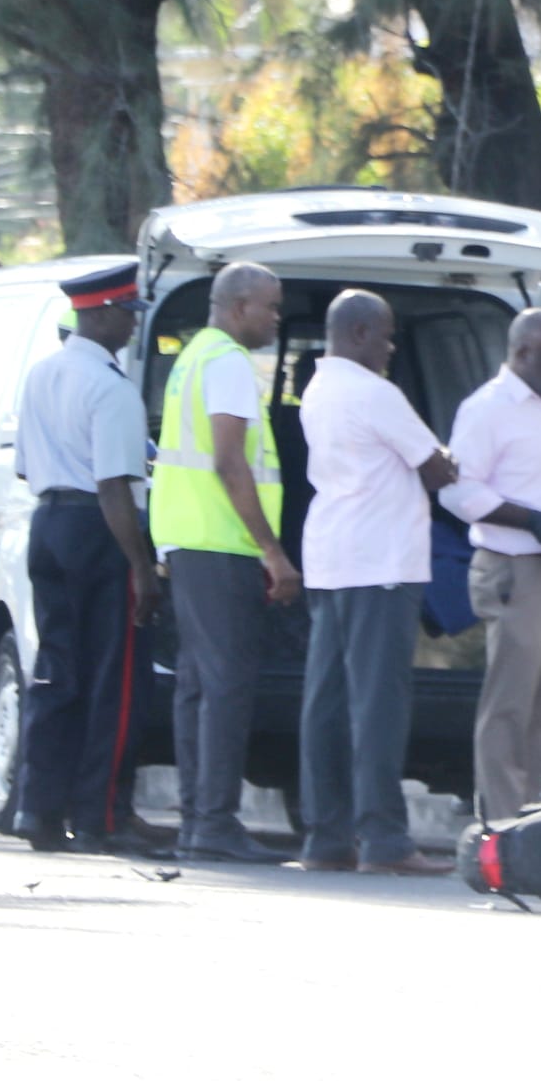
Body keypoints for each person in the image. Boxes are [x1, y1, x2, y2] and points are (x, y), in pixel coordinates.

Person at [296, 290, 459, 876]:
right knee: (378, 704)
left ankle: (325, 835)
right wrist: (448, 454)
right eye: (387, 335)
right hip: (382, 563)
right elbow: (438, 470)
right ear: (360, 333)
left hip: (332, 557)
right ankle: (385, 838)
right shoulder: (375, 392)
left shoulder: (318, 389)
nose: (391, 347)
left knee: (328, 703)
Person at [150, 261, 300, 864]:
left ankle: (197, 819)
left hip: (189, 542)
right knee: (226, 687)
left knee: (196, 687)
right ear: (239, 308)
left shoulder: (194, 357)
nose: (276, 318)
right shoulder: (230, 365)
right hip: (221, 543)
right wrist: (272, 549)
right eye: (272, 307)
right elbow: (230, 462)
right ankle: (213, 821)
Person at [13, 261, 162, 855]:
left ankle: (39, 808)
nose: (131, 327)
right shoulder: (110, 387)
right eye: (127, 314)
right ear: (100, 313)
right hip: (99, 530)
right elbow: (113, 487)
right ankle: (103, 815)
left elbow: (26, 466)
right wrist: (143, 571)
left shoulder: (41, 376)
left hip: (47, 523)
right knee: (115, 680)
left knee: (56, 674)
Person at [441, 311, 541, 825]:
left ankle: (540, 824)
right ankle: (502, 828)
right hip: (514, 565)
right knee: (510, 706)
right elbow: (458, 490)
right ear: (521, 353)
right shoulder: (487, 409)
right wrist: (532, 520)